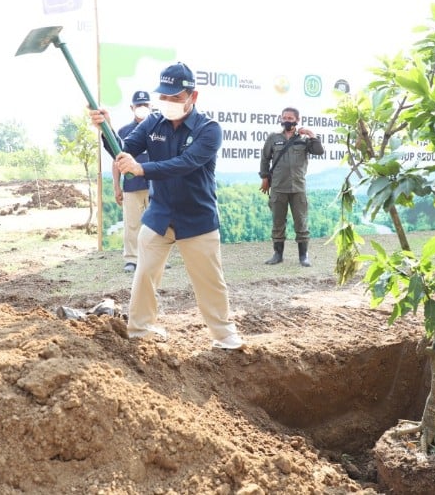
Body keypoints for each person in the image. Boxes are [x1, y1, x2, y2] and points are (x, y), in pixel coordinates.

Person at [89, 62, 246, 350]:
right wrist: (106, 129)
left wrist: (142, 170)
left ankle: (224, 336)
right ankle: (140, 329)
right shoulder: (153, 123)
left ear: (192, 97)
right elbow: (123, 150)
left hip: (197, 218)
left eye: (176, 97)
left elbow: (185, 164)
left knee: (210, 282)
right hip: (159, 215)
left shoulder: (209, 129)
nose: (169, 103)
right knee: (144, 275)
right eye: (165, 97)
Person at [259, 107, 324, 267]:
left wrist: (311, 134)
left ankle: (303, 256)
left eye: (290, 118)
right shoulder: (273, 138)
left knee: (301, 223)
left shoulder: (304, 139)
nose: (287, 120)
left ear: (297, 120)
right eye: (284, 117)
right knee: (278, 222)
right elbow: (265, 158)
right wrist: (265, 177)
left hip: (298, 188)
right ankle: (277, 254)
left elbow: (319, 151)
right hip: (278, 187)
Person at [115, 91, 152, 273]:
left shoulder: (159, 130)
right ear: (132, 107)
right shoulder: (124, 132)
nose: (142, 108)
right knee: (132, 224)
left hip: (155, 185)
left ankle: (155, 258)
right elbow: (117, 160)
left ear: (151, 106)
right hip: (131, 186)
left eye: (145, 104)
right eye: (138, 105)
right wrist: (116, 185)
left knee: (156, 224)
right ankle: (132, 259)